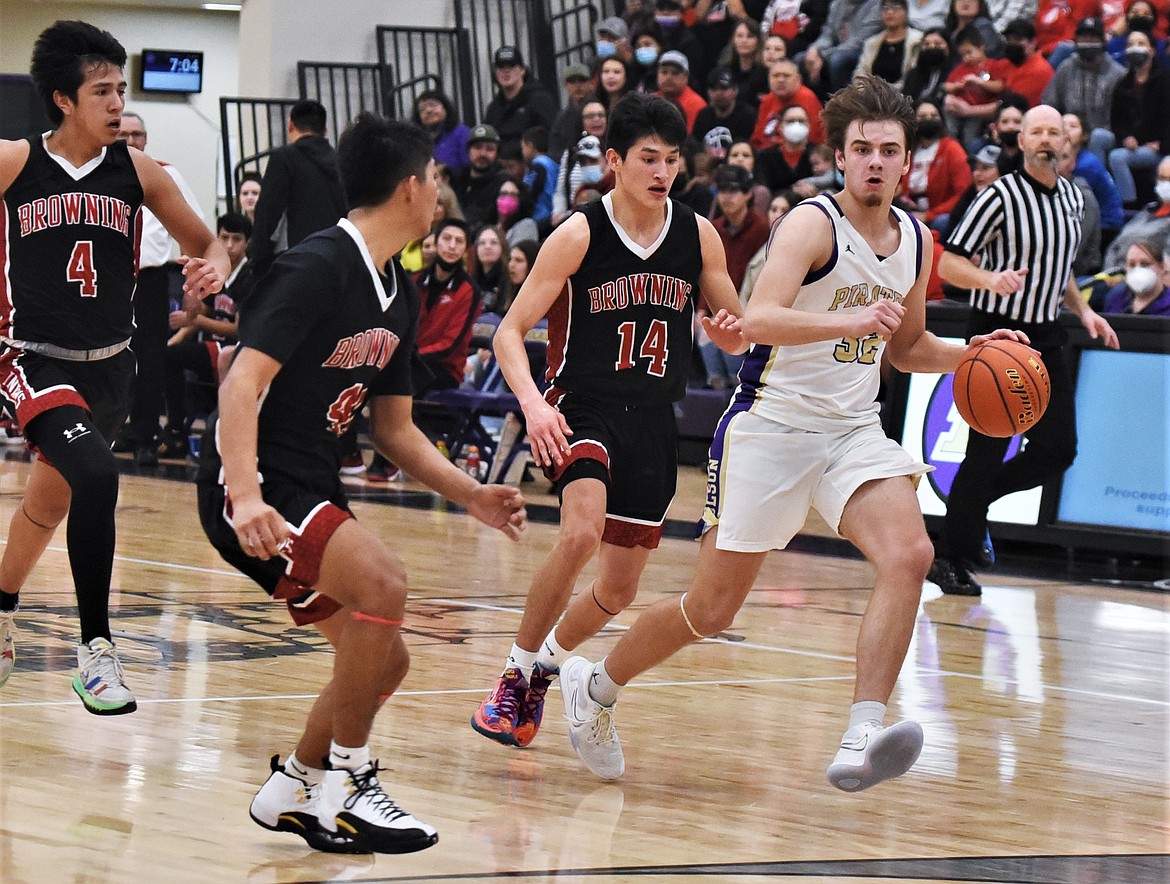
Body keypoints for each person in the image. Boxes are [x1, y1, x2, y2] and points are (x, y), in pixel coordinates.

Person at [553, 74, 1026, 787]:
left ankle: (862, 732)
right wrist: (853, 320)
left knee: (909, 554)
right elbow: (757, 320)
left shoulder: (918, 241)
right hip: (770, 428)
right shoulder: (812, 224)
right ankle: (594, 688)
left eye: (888, 150)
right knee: (710, 610)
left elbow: (906, 349)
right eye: (861, 148)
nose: (874, 161)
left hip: (851, 430)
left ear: (906, 163)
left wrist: (980, 353)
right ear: (841, 157)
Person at [197, 113, 526, 854]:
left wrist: (469, 493)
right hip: (261, 483)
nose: (440, 193)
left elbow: (395, 430)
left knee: (386, 657)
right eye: (436, 180)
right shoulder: (318, 265)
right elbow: (240, 383)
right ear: (412, 189)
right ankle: (348, 781)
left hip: (312, 480)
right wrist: (246, 495)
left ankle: (295, 786)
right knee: (385, 585)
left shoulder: (400, 292)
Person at [469, 92, 746, 750]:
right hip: (581, 406)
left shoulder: (697, 234)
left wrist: (727, 330)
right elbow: (509, 335)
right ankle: (513, 672)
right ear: (615, 161)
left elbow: (737, 335)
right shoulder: (579, 233)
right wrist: (535, 405)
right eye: (648, 158)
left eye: (673, 160)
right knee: (579, 534)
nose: (662, 172)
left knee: (618, 591)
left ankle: (545, 670)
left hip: (654, 418)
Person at [0, 20, 228, 705]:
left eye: (120, 90)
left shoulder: (137, 171)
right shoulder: (15, 161)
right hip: (31, 359)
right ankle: (96, 649)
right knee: (98, 477)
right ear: (64, 100)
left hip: (110, 367)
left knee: (48, 508)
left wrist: (208, 274)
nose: (117, 104)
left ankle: (1, 608)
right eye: (102, 91)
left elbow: (207, 244)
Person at [931, 105, 1120, 596]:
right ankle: (949, 557)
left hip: (1047, 333)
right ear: (1021, 140)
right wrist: (990, 279)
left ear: (1065, 142)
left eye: (1053, 131)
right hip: (998, 332)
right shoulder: (999, 195)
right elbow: (950, 264)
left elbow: (1061, 271)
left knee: (1059, 449)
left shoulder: (1075, 200)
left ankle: (973, 510)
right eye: (1035, 130)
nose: (1044, 139)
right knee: (985, 451)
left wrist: (1085, 312)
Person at [113, 110, 206, 467]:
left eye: (137, 135)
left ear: (146, 139)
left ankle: (146, 434)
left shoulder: (165, 174)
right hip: (107, 279)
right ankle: (115, 427)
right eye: (123, 135)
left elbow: (192, 233)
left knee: (149, 359)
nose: (131, 141)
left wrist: (191, 288)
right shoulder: (97, 173)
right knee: (108, 359)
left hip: (149, 278)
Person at [158, 212, 253, 459]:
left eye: (237, 239)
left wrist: (197, 321)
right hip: (212, 345)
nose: (230, 245)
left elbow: (237, 329)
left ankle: (177, 428)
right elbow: (204, 311)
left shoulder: (249, 276)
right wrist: (176, 338)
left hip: (235, 348)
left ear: (248, 243)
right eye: (224, 238)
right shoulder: (218, 271)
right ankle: (176, 427)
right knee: (170, 356)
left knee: (175, 358)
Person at [248, 99, 347, 279]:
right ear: (325, 131)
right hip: (339, 259)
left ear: (290, 126)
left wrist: (257, 257)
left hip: (297, 260)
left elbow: (268, 213)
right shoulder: (342, 162)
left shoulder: (284, 158)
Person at [703, 163, 770, 389]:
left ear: (748, 194)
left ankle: (738, 387)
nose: (727, 197)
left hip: (749, 309)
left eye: (733, 191)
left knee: (730, 341)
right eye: (722, 190)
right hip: (718, 308)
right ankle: (716, 388)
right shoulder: (714, 228)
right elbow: (706, 273)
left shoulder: (762, 230)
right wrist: (701, 311)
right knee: (703, 336)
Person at [1042, 18, 1127, 163]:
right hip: (1069, 135)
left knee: (1098, 137)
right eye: (1083, 37)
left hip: (1105, 136)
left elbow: (1123, 118)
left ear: (1103, 41)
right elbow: (1049, 104)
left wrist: (1085, 136)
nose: (1088, 42)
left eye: (1093, 37)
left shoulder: (1118, 74)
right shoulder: (1066, 67)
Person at [1107, 28, 1170, 206]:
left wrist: (1162, 145)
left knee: (1117, 157)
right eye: (1131, 44)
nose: (1135, 48)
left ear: (1152, 51)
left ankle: (1129, 205)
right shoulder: (1123, 84)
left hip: (1159, 147)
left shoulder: (1165, 80)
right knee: (1101, 138)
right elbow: (1116, 121)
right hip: (1135, 145)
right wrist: (1125, 137)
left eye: (1141, 44)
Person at [901, 99, 971, 230]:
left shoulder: (952, 149)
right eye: (922, 117)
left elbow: (963, 194)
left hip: (939, 216)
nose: (929, 119)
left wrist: (929, 215)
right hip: (911, 210)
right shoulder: (910, 149)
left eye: (934, 116)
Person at [942, 26, 1009, 151]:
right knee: (949, 120)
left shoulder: (994, 65)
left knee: (970, 136)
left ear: (981, 47)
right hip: (958, 108)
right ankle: (952, 146)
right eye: (962, 55)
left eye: (969, 52)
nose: (966, 58)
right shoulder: (962, 68)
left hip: (978, 112)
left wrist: (978, 81)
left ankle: (967, 153)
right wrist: (956, 87)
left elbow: (999, 86)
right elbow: (947, 86)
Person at [484, 46, 557, 159]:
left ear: (523, 70)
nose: (506, 71)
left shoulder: (539, 100)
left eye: (512, 66)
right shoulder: (493, 108)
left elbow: (550, 136)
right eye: (501, 67)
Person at [1103, 154, 1170, 268]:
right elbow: (1116, 244)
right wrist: (1109, 272)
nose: (1165, 184)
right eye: (1162, 178)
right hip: (1111, 274)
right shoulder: (1149, 209)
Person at [803, 0, 884, 93]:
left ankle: (844, 103)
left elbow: (860, 40)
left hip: (863, 52)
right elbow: (828, 33)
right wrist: (815, 48)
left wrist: (823, 55)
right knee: (802, 58)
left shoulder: (876, 5)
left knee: (838, 60)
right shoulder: (837, 3)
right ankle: (815, 104)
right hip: (835, 50)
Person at [751, 58, 826, 150]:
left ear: (798, 79)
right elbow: (757, 139)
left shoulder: (807, 97)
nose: (780, 80)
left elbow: (814, 138)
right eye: (775, 75)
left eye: (786, 76)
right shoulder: (768, 99)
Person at [855, 0, 925, 90]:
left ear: (906, 12)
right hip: (871, 95)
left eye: (895, 8)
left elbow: (913, 75)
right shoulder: (871, 43)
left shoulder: (917, 40)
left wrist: (887, 92)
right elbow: (861, 73)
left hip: (904, 94)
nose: (890, 12)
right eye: (885, 9)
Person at [451, 124, 511, 229]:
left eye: (490, 149)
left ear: (497, 153)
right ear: (468, 151)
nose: (483, 153)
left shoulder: (504, 183)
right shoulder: (458, 181)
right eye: (477, 147)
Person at [755, 103, 818, 192]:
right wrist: (793, 191)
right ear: (780, 126)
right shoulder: (766, 157)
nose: (796, 125)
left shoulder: (820, 153)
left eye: (801, 121)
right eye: (790, 121)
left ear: (809, 126)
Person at [411, 89, 470, 176]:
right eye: (422, 109)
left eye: (433, 105)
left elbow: (469, 166)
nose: (428, 110)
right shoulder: (418, 142)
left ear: (445, 108)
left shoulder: (461, 133)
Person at [1102, 239, 1170, 314]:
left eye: (1145, 264)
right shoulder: (1116, 299)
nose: (1138, 269)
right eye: (1132, 265)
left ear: (1162, 268)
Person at [692, 67, 757, 145]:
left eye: (724, 88)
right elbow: (695, 145)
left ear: (735, 90)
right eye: (714, 89)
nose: (719, 93)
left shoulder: (748, 116)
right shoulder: (703, 115)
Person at [1001, 18, 1055, 109]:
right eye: (1009, 40)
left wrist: (970, 110)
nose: (1012, 44)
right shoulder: (1012, 62)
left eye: (1018, 39)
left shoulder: (1039, 69)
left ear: (1033, 42)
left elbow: (1014, 107)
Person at [548, 64, 596, 162]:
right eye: (572, 82)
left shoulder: (599, 111)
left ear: (590, 83)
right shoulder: (562, 118)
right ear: (565, 85)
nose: (578, 86)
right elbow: (555, 149)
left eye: (582, 80)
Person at [902, 27, 954, 109]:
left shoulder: (955, 72)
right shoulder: (913, 74)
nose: (932, 47)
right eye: (927, 44)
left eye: (938, 44)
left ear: (949, 47)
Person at [655, 50, 707, 131]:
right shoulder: (650, 100)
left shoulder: (696, 105)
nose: (669, 77)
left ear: (686, 76)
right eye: (664, 72)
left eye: (675, 73)